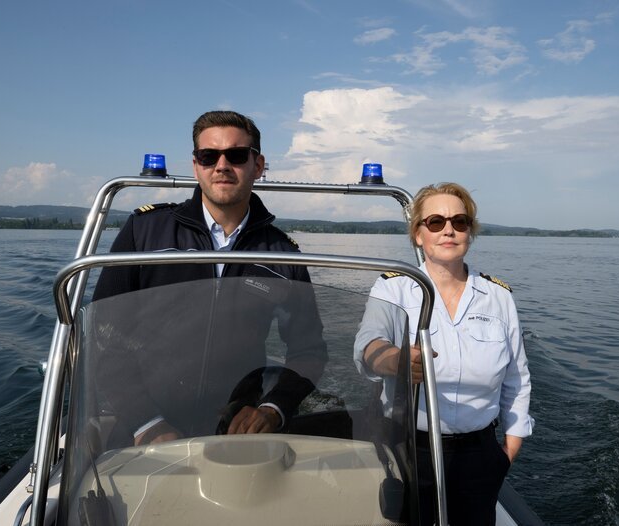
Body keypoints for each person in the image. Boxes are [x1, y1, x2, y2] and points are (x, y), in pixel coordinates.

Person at [93, 110, 327, 446]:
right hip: (141, 428)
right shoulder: (145, 233)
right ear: (196, 165)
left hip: (236, 432)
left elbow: (309, 349)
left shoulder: (281, 255)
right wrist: (146, 422)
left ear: (257, 166)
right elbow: (104, 334)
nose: (221, 165)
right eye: (208, 155)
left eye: (236, 155)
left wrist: (273, 408)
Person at [354, 182, 533, 525]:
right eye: (435, 222)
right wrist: (396, 361)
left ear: (470, 232)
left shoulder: (498, 297)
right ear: (418, 235)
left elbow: (517, 378)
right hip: (411, 449)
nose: (448, 229)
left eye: (460, 222)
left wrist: (510, 447)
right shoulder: (393, 287)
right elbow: (368, 347)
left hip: (480, 454)